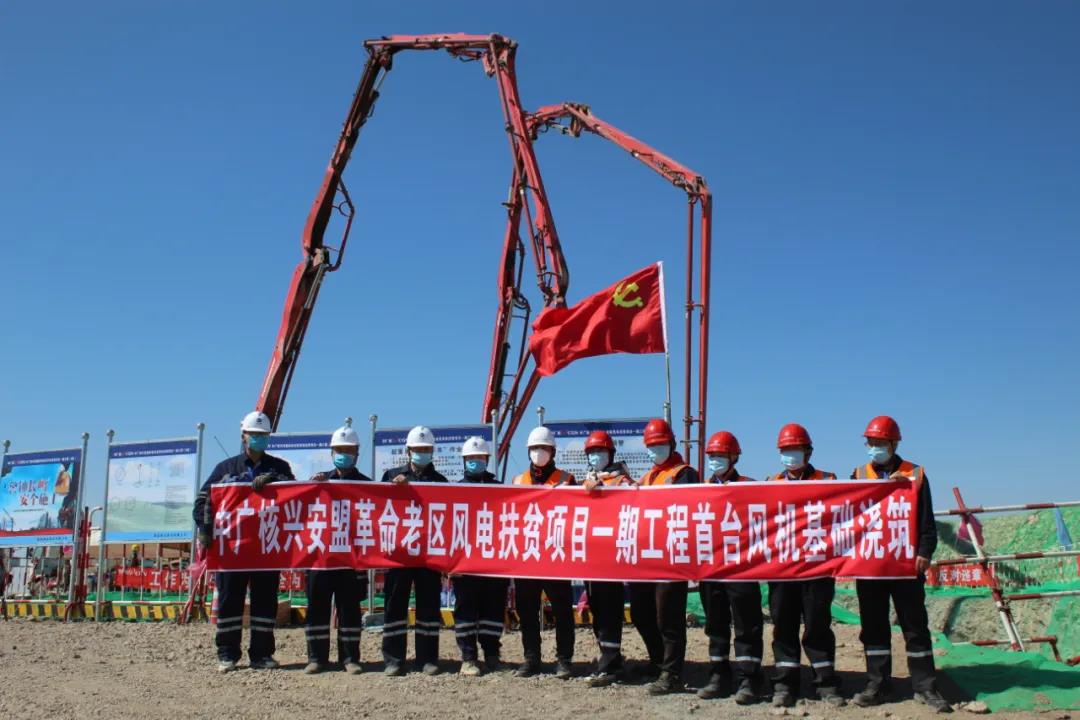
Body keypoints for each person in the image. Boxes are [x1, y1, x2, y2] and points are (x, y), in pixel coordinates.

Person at [850, 416, 952, 713]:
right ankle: (878, 683)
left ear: (894, 444)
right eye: (870, 443)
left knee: (914, 625)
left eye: (879, 443)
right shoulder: (858, 475)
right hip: (871, 565)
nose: (874, 448)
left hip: (906, 564)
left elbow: (926, 519)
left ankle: (925, 685)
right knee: (873, 626)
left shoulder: (914, 474)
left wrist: (925, 551)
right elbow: (849, 519)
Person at [193, 410, 294, 672]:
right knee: (230, 601)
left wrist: (274, 481)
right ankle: (227, 654)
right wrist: (205, 528)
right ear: (243, 436)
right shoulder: (225, 469)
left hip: (265, 549)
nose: (258, 438)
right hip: (232, 549)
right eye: (254, 434)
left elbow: (296, 494)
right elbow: (203, 500)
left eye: (263, 434)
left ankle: (262, 654)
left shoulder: (279, 468)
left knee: (265, 602)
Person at [766, 423, 844, 707]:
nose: (790, 455)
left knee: (817, 623)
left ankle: (825, 682)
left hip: (816, 569)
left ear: (808, 452)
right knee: (783, 624)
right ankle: (785, 683)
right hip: (783, 569)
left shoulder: (828, 480)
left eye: (795, 449)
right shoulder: (770, 484)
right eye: (785, 450)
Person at [632, 418, 700, 696]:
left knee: (668, 616)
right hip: (648, 556)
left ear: (671, 444)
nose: (655, 449)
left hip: (672, 556)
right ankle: (658, 660)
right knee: (641, 611)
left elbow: (688, 508)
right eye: (651, 445)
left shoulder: (685, 473)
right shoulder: (648, 476)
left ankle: (672, 673)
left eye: (659, 444)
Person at [697, 430, 764, 704]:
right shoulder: (700, 490)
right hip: (711, 569)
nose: (715, 460)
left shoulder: (750, 487)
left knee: (747, 624)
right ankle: (718, 675)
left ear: (734, 457)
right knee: (715, 623)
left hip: (741, 569)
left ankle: (749, 678)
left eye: (721, 455)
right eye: (712, 456)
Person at [380, 425, 448, 676]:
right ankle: (393, 659)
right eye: (418, 449)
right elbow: (379, 507)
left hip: (428, 555)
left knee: (429, 607)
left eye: (426, 449)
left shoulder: (440, 482)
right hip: (399, 553)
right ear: (408, 450)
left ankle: (427, 659)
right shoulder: (392, 476)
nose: (422, 452)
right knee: (394, 605)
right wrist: (393, 488)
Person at [303, 425, 371, 675]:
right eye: (339, 450)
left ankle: (350, 658)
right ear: (332, 453)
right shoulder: (320, 482)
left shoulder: (368, 486)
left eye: (348, 450)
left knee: (349, 610)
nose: (344, 454)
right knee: (317, 609)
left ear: (357, 453)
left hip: (351, 561)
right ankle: (317, 658)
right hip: (321, 559)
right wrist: (312, 487)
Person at [512, 426, 576, 679]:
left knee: (562, 610)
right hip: (528, 557)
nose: (539, 452)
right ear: (528, 451)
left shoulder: (567, 479)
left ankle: (564, 660)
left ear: (553, 451)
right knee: (527, 611)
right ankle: (531, 659)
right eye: (535, 448)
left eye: (544, 448)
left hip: (556, 556)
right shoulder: (518, 481)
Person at [580, 430, 635, 688]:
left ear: (610, 454)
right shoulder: (587, 480)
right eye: (591, 452)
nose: (596, 456)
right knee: (597, 609)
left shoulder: (621, 479)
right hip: (592, 558)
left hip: (612, 559)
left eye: (600, 451)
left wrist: (600, 490)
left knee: (610, 609)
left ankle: (611, 663)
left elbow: (631, 502)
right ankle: (608, 656)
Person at [452, 436, 508, 676]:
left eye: (480, 457)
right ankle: (468, 658)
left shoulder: (500, 489)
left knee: (493, 610)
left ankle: (492, 655)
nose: (476, 460)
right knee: (465, 610)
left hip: (494, 563)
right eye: (471, 458)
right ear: (464, 460)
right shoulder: (454, 491)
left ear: (487, 459)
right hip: (465, 564)